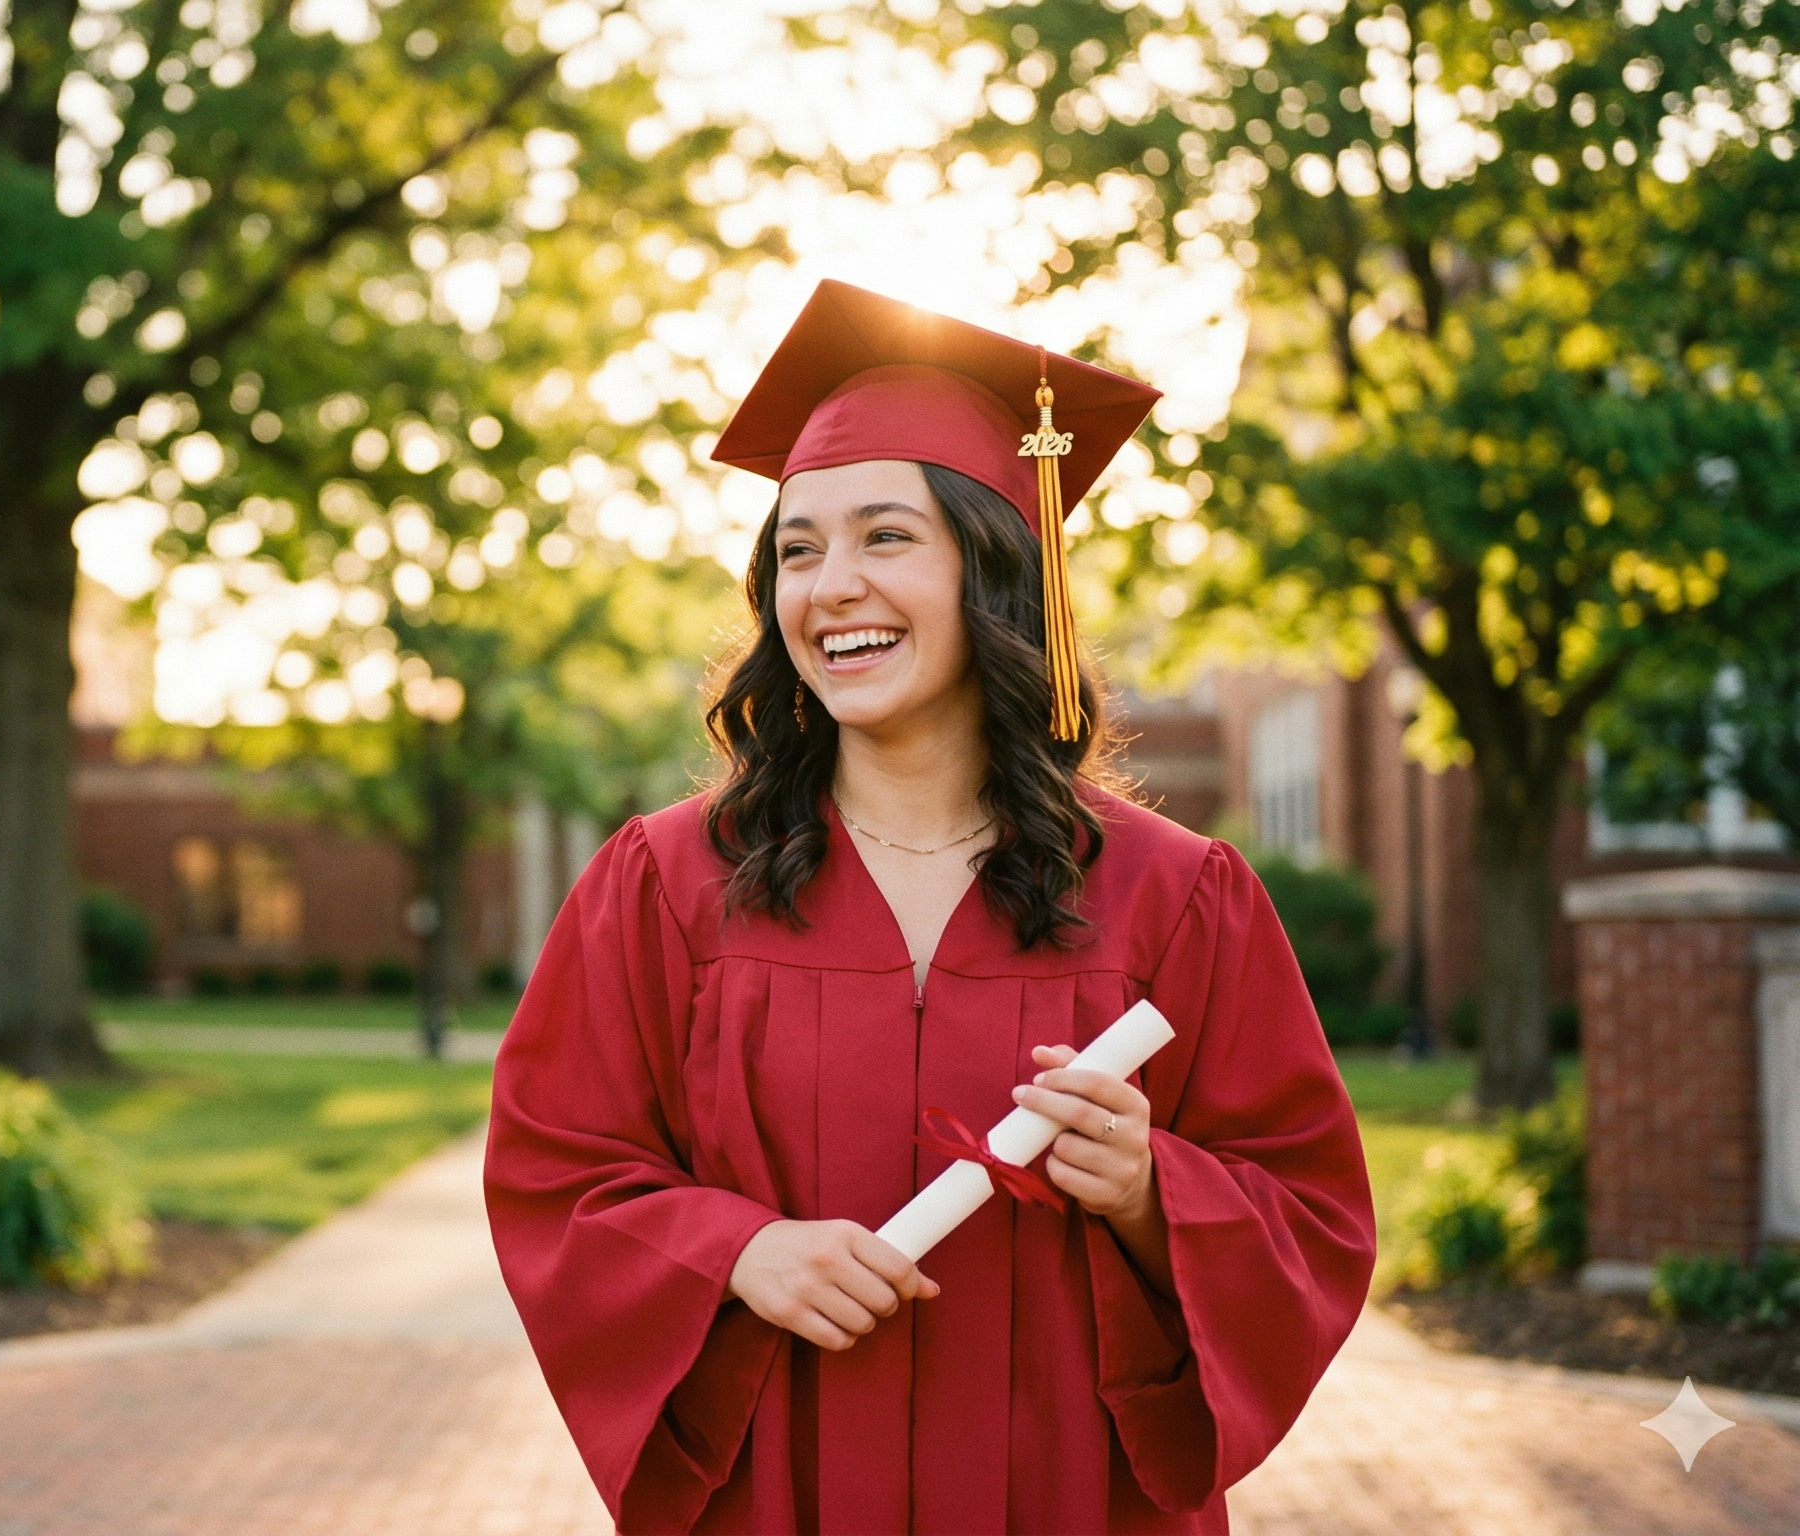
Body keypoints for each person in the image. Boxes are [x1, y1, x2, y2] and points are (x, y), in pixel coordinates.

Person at [484, 281, 1377, 1535]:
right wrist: (736, 1252)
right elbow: (557, 1169)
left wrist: (1144, 1188)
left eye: (886, 537)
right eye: (799, 550)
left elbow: (1311, 1214)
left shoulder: (1174, 895)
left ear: (994, 569)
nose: (831, 585)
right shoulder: (666, 884)